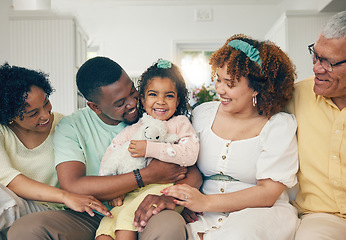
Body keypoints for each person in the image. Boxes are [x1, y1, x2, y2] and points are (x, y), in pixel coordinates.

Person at [8, 56, 201, 240]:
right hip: (91, 212)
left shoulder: (155, 111)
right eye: (120, 103)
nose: (133, 104)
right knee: (25, 230)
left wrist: (176, 199)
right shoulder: (71, 127)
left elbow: (192, 169)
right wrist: (146, 175)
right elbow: (73, 185)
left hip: (146, 205)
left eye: (133, 93)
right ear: (95, 107)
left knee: (169, 225)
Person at [161, 34, 300, 239]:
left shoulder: (278, 126)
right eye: (218, 79)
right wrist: (188, 198)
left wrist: (205, 202)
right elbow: (187, 163)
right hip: (204, 214)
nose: (220, 89)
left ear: (256, 88)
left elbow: (267, 193)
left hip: (260, 213)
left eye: (230, 83)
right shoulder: (203, 114)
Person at [0, 63, 111, 238]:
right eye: (33, 113)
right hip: (18, 207)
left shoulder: (65, 125)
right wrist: (65, 196)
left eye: (46, 103)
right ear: (10, 117)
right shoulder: (2, 132)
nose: (46, 115)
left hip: (56, 211)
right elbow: (10, 180)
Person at [96, 59, 199, 240]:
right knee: (105, 227)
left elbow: (190, 154)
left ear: (178, 100)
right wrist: (112, 187)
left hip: (164, 189)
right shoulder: (134, 128)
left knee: (126, 222)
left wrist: (150, 149)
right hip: (132, 192)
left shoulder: (179, 124)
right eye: (153, 94)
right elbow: (111, 153)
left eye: (169, 96)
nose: (161, 101)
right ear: (142, 99)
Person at [287, 11, 346, 240]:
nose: (316, 68)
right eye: (316, 56)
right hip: (321, 217)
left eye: (329, 63)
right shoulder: (293, 96)